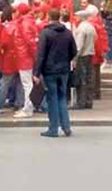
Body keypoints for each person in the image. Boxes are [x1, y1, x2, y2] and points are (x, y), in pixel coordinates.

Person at [35, 9, 77, 138]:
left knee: (52, 99)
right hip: (63, 70)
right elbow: (74, 51)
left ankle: (53, 128)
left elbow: (41, 55)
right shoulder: (68, 33)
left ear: (48, 16)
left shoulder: (46, 33)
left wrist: (37, 72)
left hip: (50, 70)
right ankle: (66, 127)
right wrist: (65, 61)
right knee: (62, 98)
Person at [12, 4, 38, 118]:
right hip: (26, 56)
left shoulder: (24, 23)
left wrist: (34, 55)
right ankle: (27, 107)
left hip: (24, 57)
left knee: (27, 84)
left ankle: (28, 109)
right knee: (28, 84)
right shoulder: (28, 22)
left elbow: (29, 42)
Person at [72, 7, 97, 110]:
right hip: (90, 53)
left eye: (77, 16)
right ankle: (88, 100)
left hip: (82, 55)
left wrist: (75, 58)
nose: (75, 18)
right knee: (89, 78)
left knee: (81, 79)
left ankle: (81, 102)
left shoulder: (81, 29)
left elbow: (79, 45)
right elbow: (96, 38)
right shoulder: (91, 27)